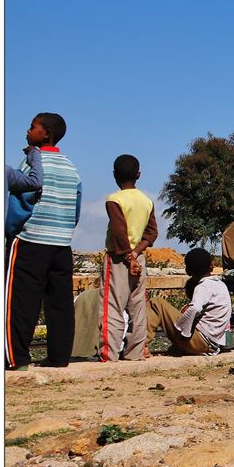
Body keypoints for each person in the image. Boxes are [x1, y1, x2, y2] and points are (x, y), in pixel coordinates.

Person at [5, 113, 82, 371]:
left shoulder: (32, 164)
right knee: (59, 302)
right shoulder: (71, 167)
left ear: (45, 133)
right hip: (61, 243)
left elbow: (19, 204)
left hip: (31, 240)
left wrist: (10, 232)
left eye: (32, 127)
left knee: (21, 301)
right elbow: (76, 208)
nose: (28, 131)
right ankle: (59, 358)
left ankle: (17, 358)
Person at [99, 154, 158, 363]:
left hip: (118, 259)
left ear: (115, 175)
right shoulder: (146, 201)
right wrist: (137, 253)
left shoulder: (114, 200)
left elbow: (118, 231)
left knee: (112, 307)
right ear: (139, 175)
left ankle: (109, 354)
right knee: (138, 307)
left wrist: (127, 256)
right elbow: (152, 233)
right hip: (139, 258)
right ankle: (135, 352)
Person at [146, 248, 232, 355]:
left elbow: (195, 308)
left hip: (201, 342)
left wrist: (184, 332)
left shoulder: (203, 287)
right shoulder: (220, 285)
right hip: (213, 344)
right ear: (211, 266)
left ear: (188, 271)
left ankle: (141, 345)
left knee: (156, 303)